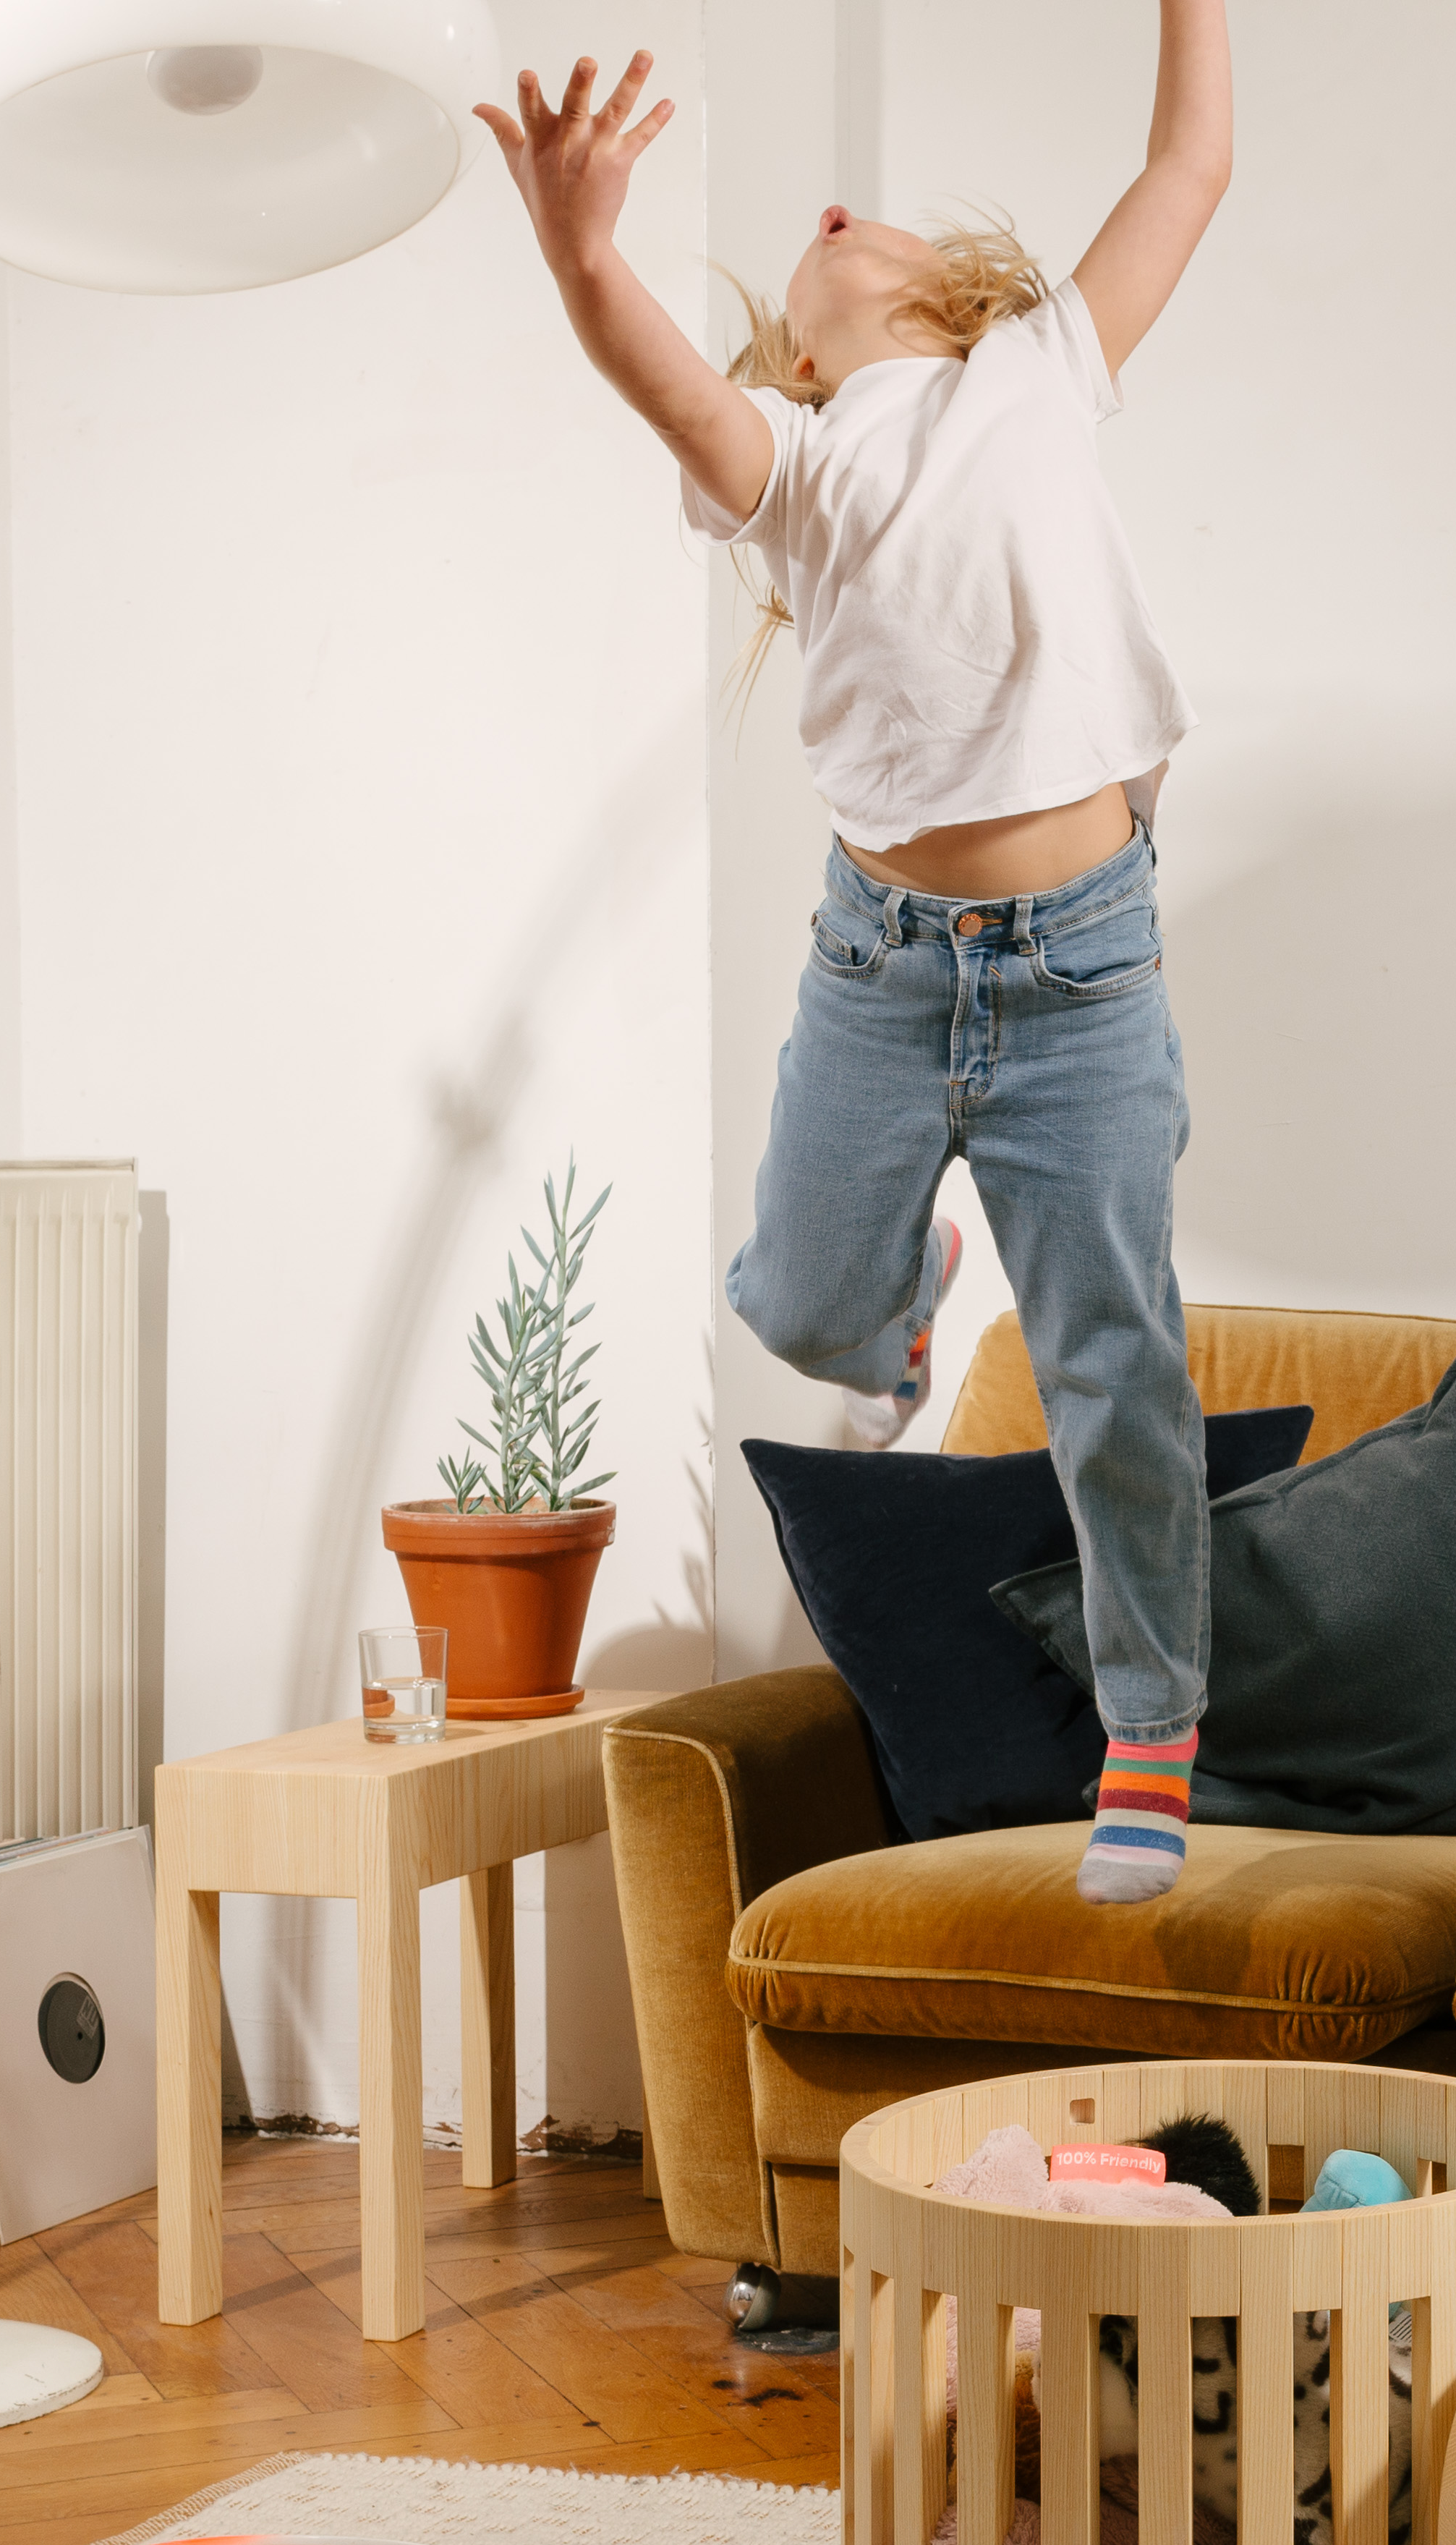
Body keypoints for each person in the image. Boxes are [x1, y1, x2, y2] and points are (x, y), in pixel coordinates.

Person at [480, 11, 1233, 1903]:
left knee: (1111, 1358)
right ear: (797, 357)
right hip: (880, 967)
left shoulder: (1044, 367)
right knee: (806, 1309)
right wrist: (586, 255)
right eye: (816, 246)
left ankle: (1152, 1720)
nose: (835, 212)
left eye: (872, 223)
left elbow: (1187, 170)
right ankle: (908, 1296)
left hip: (1081, 978)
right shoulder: (797, 462)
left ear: (947, 302)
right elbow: (668, 387)